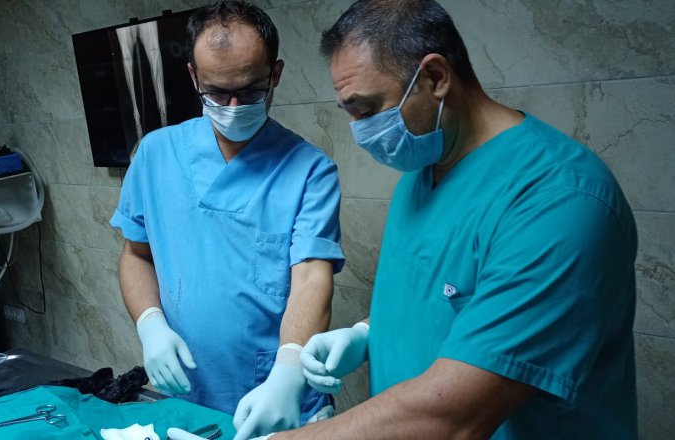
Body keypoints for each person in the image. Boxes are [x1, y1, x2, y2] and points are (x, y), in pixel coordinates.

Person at [265, 1, 638, 439]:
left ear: (435, 77)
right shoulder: (423, 172)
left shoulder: (560, 200)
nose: (359, 128)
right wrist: (367, 333)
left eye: (366, 109)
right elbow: (440, 301)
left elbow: (455, 415)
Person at [109, 2, 344, 439]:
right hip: (189, 395)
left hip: (281, 397)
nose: (234, 106)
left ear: (275, 74)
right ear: (194, 77)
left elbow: (312, 277)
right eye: (217, 93)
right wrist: (150, 323)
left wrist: (289, 373)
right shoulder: (155, 154)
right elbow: (136, 254)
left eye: (251, 91)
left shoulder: (310, 171)